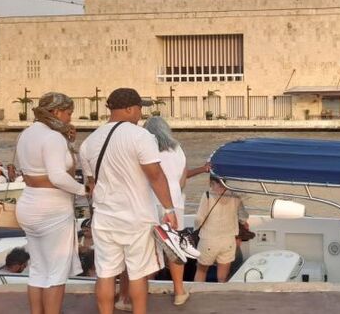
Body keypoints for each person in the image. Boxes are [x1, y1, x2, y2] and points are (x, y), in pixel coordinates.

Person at [79, 88, 178, 314]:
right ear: (129, 108)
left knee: (105, 274)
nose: (141, 114)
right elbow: (155, 175)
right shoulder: (140, 136)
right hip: (137, 217)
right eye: (140, 108)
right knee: (138, 274)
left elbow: (91, 184)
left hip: (104, 218)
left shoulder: (89, 142)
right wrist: (169, 209)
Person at [14, 92, 87, 314]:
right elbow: (58, 176)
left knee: (38, 269)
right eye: (68, 113)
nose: (70, 118)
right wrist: (83, 190)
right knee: (56, 272)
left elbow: (30, 172)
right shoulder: (53, 138)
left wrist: (68, 141)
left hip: (28, 204)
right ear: (55, 112)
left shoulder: (26, 134)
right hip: (52, 209)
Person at [143, 116, 210, 306]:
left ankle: (144, 290)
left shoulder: (146, 149)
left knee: (148, 249)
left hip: (150, 202)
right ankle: (179, 292)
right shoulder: (177, 149)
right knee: (175, 248)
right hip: (175, 204)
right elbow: (182, 180)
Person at [194, 175, 248, 283]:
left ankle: (198, 293)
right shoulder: (235, 196)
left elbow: (199, 219)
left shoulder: (208, 195)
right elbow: (243, 217)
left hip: (209, 239)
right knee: (222, 278)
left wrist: (196, 229)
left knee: (201, 271)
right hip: (228, 240)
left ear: (211, 182)